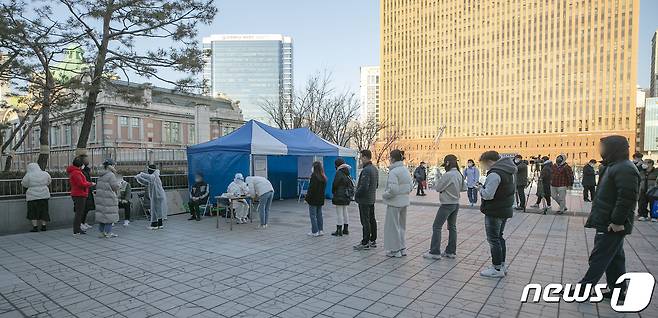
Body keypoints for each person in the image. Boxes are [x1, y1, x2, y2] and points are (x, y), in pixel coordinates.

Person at [577, 135, 639, 300]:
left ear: (614, 148)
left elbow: (626, 198)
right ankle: (618, 291)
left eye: (603, 147)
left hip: (612, 223)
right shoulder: (614, 166)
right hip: (606, 220)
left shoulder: (625, 168)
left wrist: (617, 222)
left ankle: (583, 290)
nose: (600, 150)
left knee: (599, 256)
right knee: (615, 258)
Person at [478, 151, 517, 278]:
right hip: (504, 209)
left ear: (489, 161)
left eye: (483, 164)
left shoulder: (495, 173)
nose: (484, 167)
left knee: (493, 239)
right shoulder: (508, 171)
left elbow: (488, 195)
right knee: (499, 237)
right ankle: (502, 265)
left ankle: (496, 268)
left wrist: (480, 189)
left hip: (494, 210)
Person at [423, 154, 462, 260]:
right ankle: (451, 251)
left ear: (448, 163)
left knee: (436, 226)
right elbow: (464, 188)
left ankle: (435, 251)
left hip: (446, 204)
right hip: (456, 203)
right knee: (452, 227)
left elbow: (438, 187)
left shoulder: (448, 175)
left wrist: (440, 180)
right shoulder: (458, 174)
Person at [383, 149, 413, 258]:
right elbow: (410, 186)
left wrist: (385, 195)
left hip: (394, 203)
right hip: (404, 202)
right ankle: (402, 248)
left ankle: (395, 250)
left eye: (390, 157)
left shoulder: (393, 172)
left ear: (393, 158)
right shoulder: (405, 170)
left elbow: (393, 190)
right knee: (401, 227)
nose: (389, 159)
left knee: (392, 227)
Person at [353, 150, 379, 250]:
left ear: (364, 157)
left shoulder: (366, 170)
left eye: (361, 157)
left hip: (364, 200)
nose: (360, 159)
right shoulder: (374, 169)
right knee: (372, 219)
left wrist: (356, 194)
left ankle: (365, 242)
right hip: (371, 198)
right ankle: (373, 240)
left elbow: (364, 186)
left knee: (365, 221)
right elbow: (376, 185)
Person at [21, 163, 52, 232]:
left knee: (32, 212)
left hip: (32, 196)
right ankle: (44, 226)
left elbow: (24, 184)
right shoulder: (45, 173)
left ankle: (35, 227)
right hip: (44, 195)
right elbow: (49, 181)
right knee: (44, 211)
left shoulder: (28, 175)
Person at [68, 157, 94, 235]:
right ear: (80, 165)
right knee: (79, 213)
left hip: (79, 194)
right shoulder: (76, 172)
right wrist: (90, 184)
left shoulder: (75, 172)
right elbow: (81, 184)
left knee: (79, 213)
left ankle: (78, 229)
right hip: (79, 194)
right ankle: (76, 230)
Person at [136, 164, 168, 230]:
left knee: (154, 210)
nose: (147, 171)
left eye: (148, 170)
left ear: (150, 170)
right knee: (159, 210)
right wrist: (138, 178)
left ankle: (154, 225)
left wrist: (141, 174)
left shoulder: (154, 176)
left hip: (157, 196)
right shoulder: (154, 176)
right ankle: (160, 224)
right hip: (158, 195)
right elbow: (146, 182)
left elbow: (149, 177)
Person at [95, 159, 121, 238]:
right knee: (109, 216)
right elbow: (115, 187)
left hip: (101, 198)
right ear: (111, 166)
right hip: (109, 198)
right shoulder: (111, 175)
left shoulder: (101, 174)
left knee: (102, 216)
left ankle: (101, 232)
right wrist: (119, 184)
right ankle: (108, 232)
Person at [331, 157, 353, 236]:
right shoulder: (347, 172)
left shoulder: (339, 172)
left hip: (339, 195)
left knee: (339, 213)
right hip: (346, 195)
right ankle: (346, 229)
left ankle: (339, 230)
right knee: (345, 211)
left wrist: (333, 191)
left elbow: (335, 184)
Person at [305, 162, 327, 237]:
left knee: (313, 215)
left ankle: (314, 231)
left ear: (314, 168)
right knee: (319, 215)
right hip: (320, 199)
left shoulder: (314, 176)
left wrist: (306, 198)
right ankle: (320, 230)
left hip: (313, 199)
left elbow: (311, 189)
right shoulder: (323, 177)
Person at [80, 155, 95, 231]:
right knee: (83, 208)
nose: (88, 160)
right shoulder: (80, 171)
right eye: (86, 159)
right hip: (83, 191)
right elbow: (83, 182)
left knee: (87, 207)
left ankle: (83, 222)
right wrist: (90, 184)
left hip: (88, 190)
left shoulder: (86, 170)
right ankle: (80, 223)